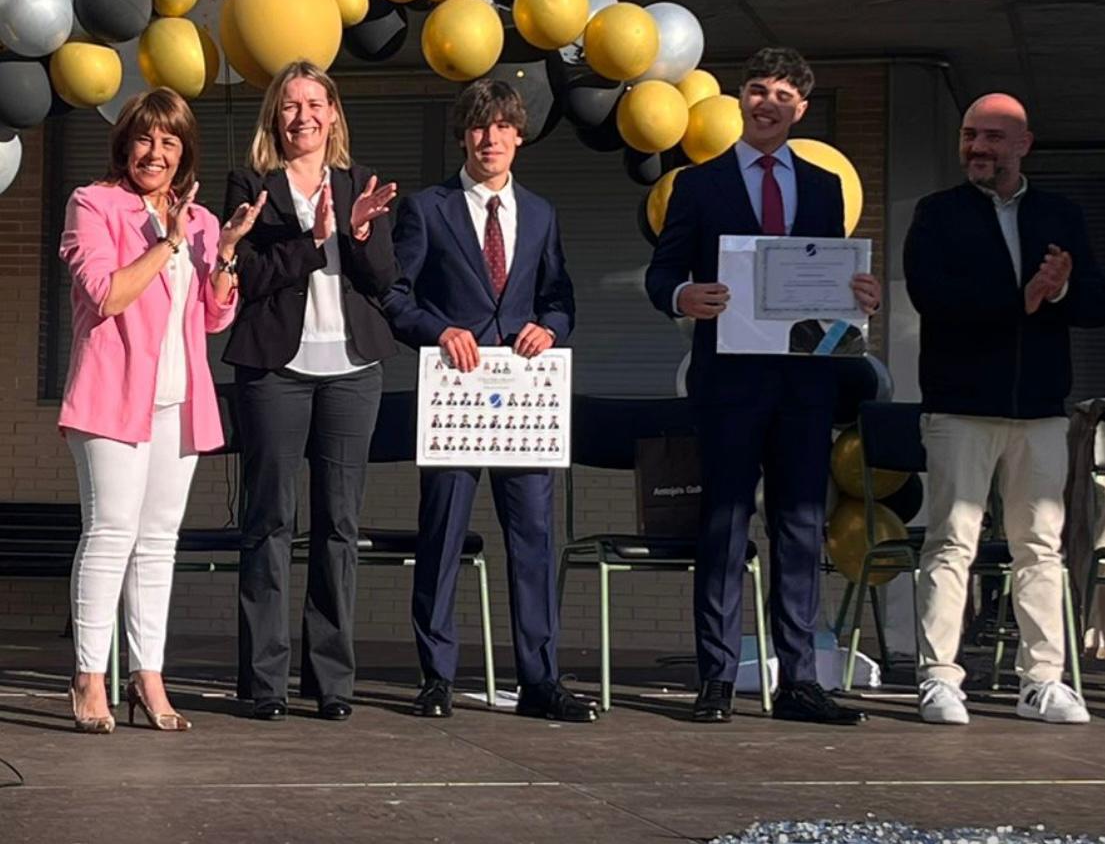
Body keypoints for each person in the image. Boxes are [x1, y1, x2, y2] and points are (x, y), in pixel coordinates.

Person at [646, 47, 880, 725]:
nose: (766, 102)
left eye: (782, 93)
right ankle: (716, 677)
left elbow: (828, 281)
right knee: (722, 525)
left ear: (799, 108)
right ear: (740, 98)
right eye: (756, 89)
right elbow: (662, 275)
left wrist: (858, 296)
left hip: (804, 381)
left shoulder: (823, 187)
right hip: (727, 380)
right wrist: (684, 294)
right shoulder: (697, 183)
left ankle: (799, 679)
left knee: (800, 527)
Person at [383, 78, 595, 722]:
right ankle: (437, 677)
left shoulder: (543, 213)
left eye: (503, 126)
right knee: (442, 535)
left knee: (532, 538)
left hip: (525, 404)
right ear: (463, 136)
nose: (491, 138)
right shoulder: (427, 208)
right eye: (479, 127)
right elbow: (396, 297)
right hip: (456, 398)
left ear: (519, 135)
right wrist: (437, 330)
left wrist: (550, 328)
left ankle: (539, 680)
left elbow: (560, 298)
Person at [904, 93, 1105, 725]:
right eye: (969, 135)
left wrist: (1063, 287)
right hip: (960, 407)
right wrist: (1022, 299)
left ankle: (1042, 680)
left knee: (1039, 548)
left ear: (1024, 144)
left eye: (993, 137)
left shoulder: (1060, 214)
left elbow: (1094, 303)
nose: (978, 148)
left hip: (1042, 409)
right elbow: (932, 296)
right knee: (950, 544)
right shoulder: (937, 214)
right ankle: (939, 677)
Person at [60, 88, 256, 733]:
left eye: (170, 142)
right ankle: (90, 677)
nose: (156, 153)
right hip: (112, 398)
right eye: (145, 139)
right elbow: (107, 294)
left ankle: (148, 677)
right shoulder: (94, 204)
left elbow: (215, 315)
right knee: (110, 534)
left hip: (179, 401)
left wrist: (222, 251)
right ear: (126, 144)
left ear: (184, 153)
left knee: (158, 546)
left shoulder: (196, 219)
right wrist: (167, 245)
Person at [223, 61, 399, 722]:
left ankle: (331, 682)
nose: (302, 115)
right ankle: (264, 682)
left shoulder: (361, 183)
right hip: (275, 368)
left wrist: (355, 235)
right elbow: (249, 274)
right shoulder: (251, 184)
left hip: (352, 369)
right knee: (268, 520)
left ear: (332, 113)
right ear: (276, 116)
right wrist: (312, 238)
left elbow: (383, 279)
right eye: (289, 105)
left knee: (339, 526)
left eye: (314, 103)